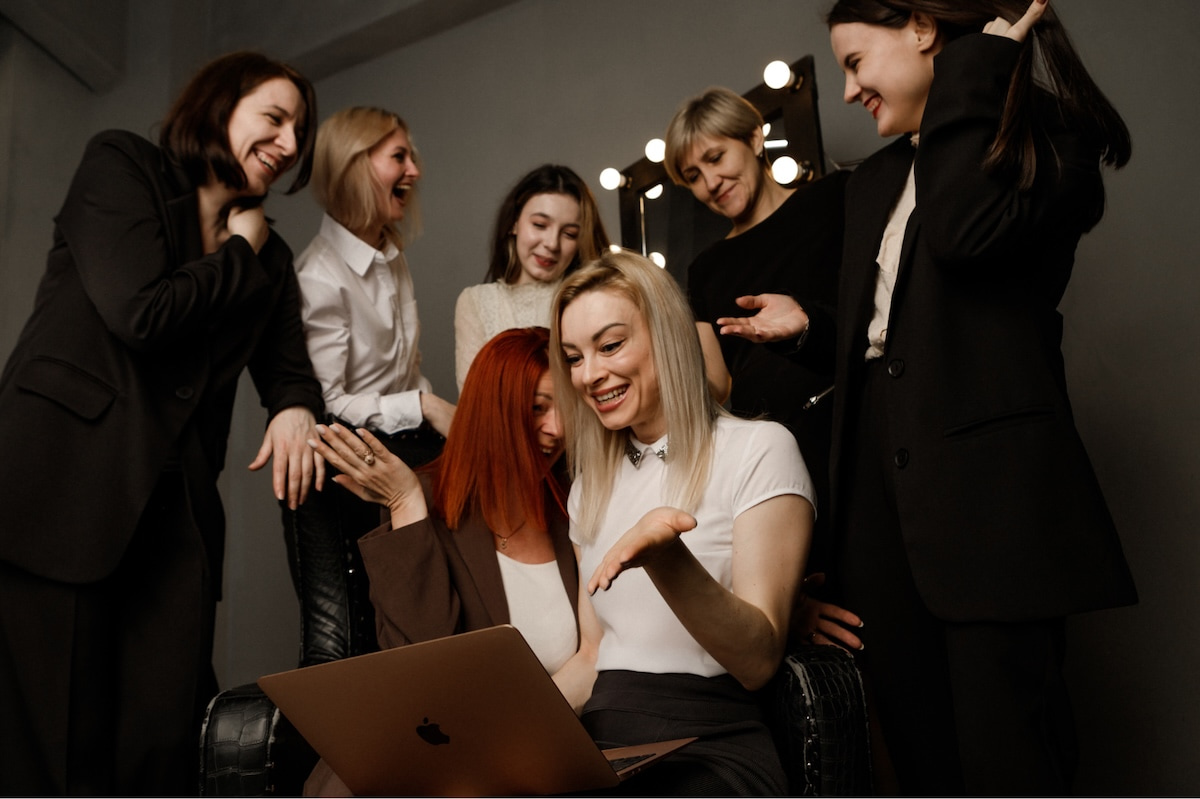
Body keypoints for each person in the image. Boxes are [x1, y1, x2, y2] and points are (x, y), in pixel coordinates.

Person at [717, 0, 1138, 793]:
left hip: (991, 510)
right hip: (881, 506)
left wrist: (973, 70)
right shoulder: (876, 179)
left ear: (921, 28)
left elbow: (963, 234)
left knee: (1008, 760)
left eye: (854, 63)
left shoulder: (1047, 138)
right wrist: (816, 329)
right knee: (920, 761)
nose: (849, 91)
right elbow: (907, 342)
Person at [0, 52, 324, 795]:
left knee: (164, 744)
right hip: (58, 491)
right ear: (218, 106)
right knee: (53, 751)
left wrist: (295, 407)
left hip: (176, 513)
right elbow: (139, 312)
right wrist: (240, 249)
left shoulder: (271, 260)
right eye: (275, 118)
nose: (288, 143)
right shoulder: (123, 165)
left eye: (299, 132)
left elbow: (289, 366)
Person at [550, 250, 815, 796]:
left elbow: (758, 660)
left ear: (667, 336)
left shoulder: (758, 450)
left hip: (708, 742)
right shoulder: (588, 487)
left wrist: (667, 558)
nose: (589, 375)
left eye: (610, 345)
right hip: (602, 740)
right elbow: (593, 656)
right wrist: (500, 729)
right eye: (574, 357)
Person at [301, 327, 579, 797]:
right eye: (537, 408)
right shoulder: (421, 501)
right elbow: (424, 672)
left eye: (567, 408)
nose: (557, 429)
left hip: (531, 759)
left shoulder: (576, 506)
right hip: (418, 760)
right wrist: (406, 504)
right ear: (493, 410)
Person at [664, 85, 853, 615]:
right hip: (773, 454)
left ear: (753, 138)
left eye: (715, 158)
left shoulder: (836, 198)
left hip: (852, 428)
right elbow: (715, 384)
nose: (709, 183)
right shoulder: (705, 269)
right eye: (693, 176)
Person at [285, 107, 456, 597]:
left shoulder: (391, 255)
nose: (414, 171)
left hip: (404, 459)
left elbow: (407, 369)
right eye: (399, 157)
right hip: (347, 479)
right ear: (355, 165)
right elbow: (329, 404)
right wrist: (425, 405)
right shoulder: (318, 275)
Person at [453, 164, 610, 392]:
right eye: (539, 225)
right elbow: (474, 399)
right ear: (514, 222)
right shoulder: (476, 302)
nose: (552, 243)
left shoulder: (591, 298)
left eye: (569, 234)